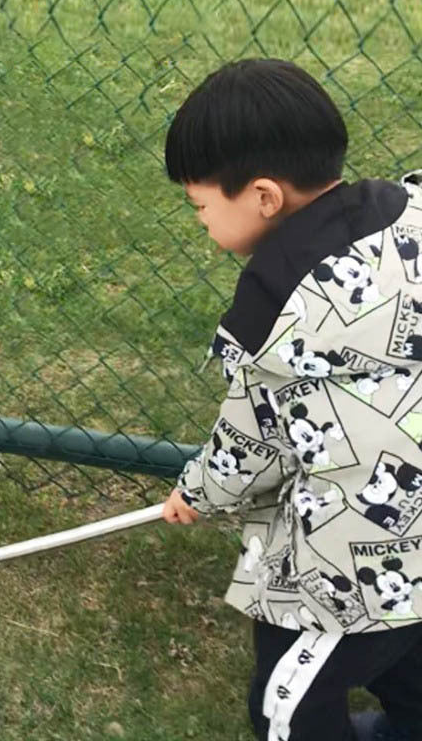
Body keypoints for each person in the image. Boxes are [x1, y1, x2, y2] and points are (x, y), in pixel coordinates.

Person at [161, 57, 422, 741]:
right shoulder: (412, 216)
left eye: (202, 207)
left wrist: (197, 494)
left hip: (353, 569)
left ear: (264, 197)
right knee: (411, 668)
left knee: (288, 706)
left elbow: (251, 445)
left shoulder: (272, 311)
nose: (201, 224)